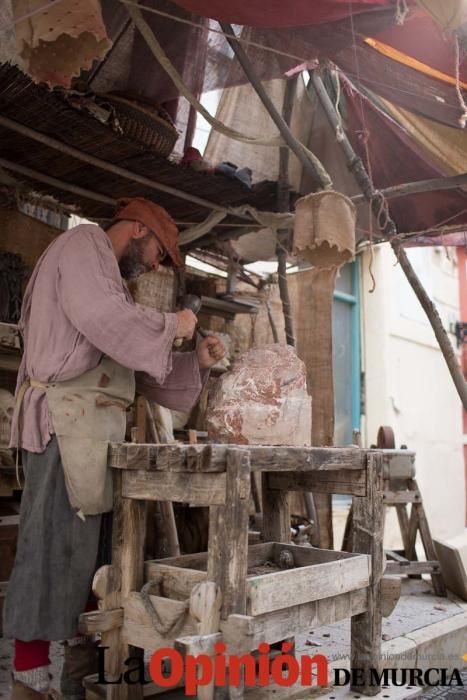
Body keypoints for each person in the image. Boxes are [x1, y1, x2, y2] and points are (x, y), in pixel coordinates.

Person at [4, 197, 225, 700]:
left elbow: (133, 363)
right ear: (139, 229)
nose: (153, 266)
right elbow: (105, 318)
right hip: (64, 425)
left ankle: (77, 675)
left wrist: (197, 360)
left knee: (93, 561)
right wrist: (174, 325)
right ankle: (28, 681)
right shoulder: (84, 245)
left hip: (93, 431)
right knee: (48, 550)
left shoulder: (108, 280)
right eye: (156, 254)